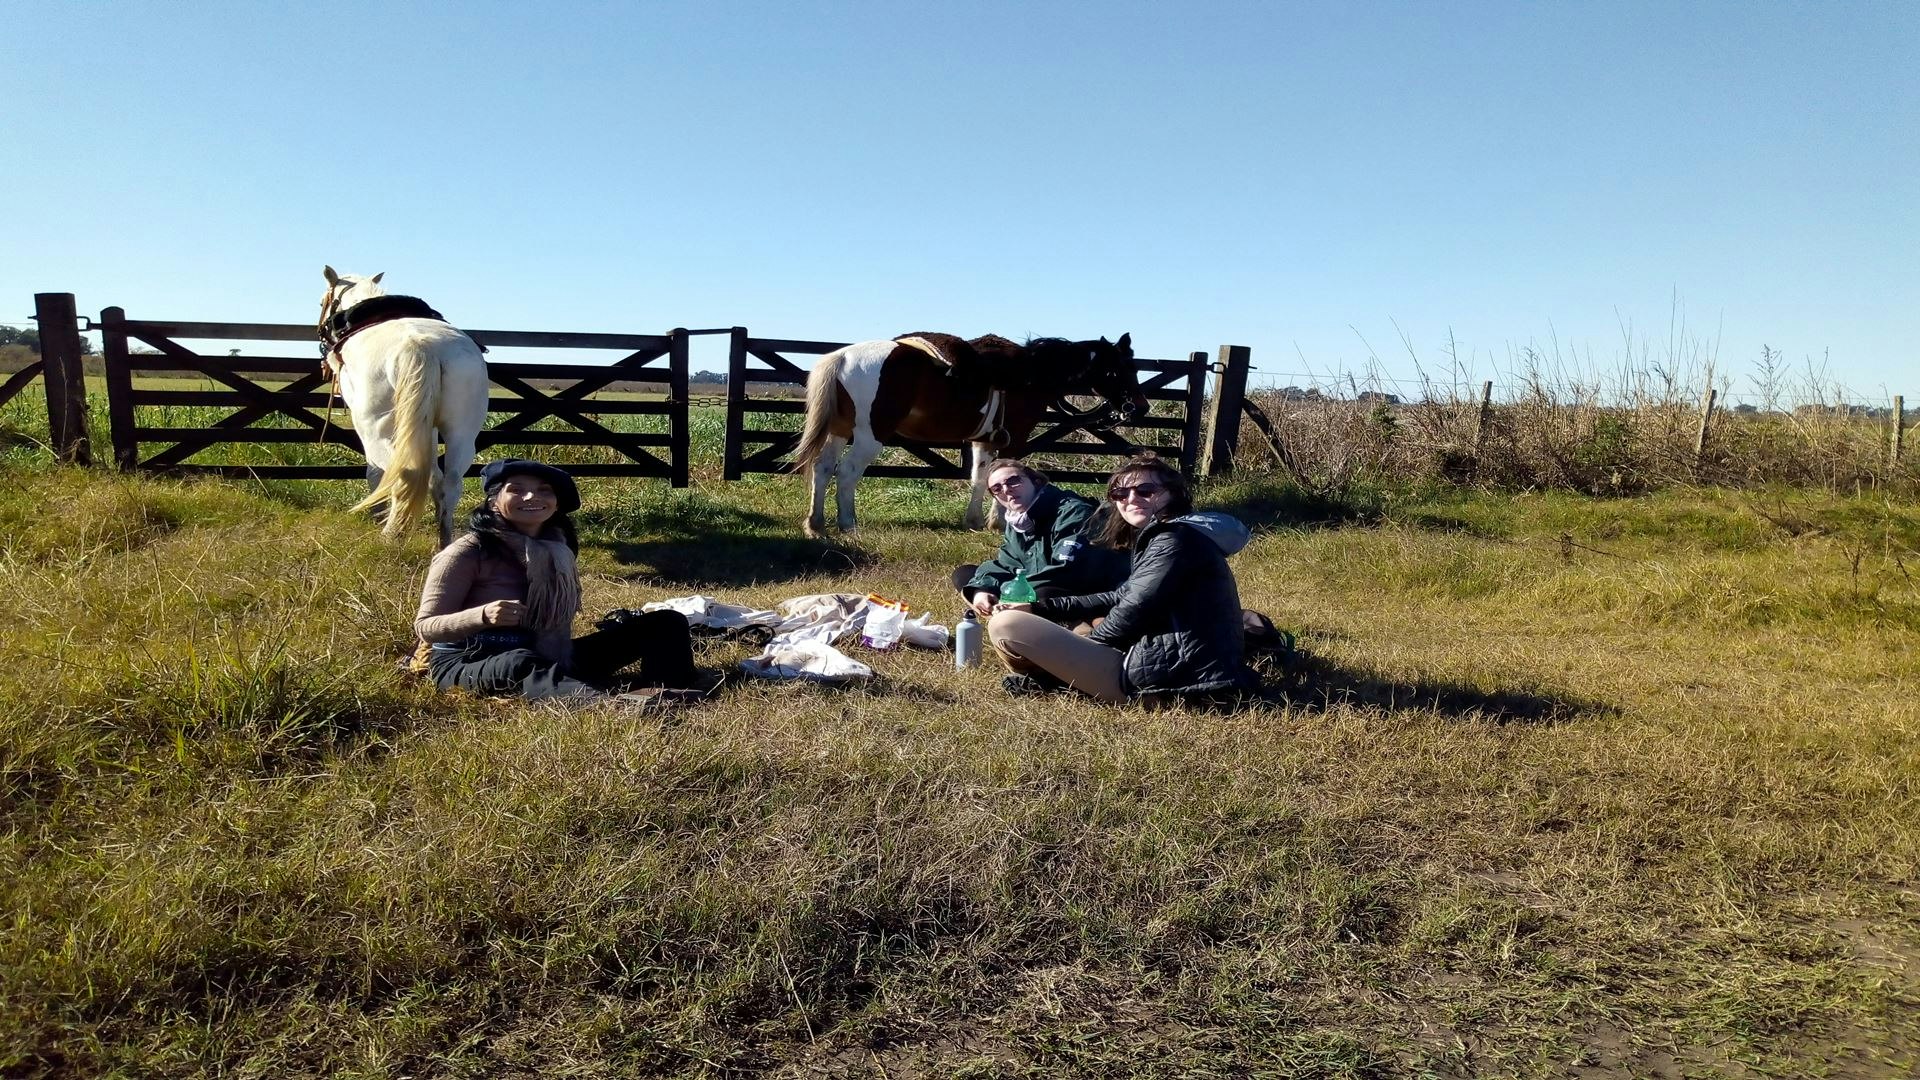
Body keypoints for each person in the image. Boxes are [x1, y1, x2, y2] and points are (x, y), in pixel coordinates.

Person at [414, 459, 703, 701]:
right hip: (469, 661)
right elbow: (426, 627)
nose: (532, 497)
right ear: (493, 502)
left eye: (544, 490)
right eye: (517, 490)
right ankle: (610, 705)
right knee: (520, 662)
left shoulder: (558, 550)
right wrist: (482, 616)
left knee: (666, 622)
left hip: (548, 652)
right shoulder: (466, 552)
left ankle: (671, 688)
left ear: (556, 504)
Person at [986, 453, 1257, 705]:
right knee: (1062, 622)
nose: (1131, 499)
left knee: (1006, 624)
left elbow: (1134, 608)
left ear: (1172, 494)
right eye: (1120, 492)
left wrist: (1084, 648)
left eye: (1145, 491)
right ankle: (1057, 673)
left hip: (1177, 682)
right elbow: (1118, 596)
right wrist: (1037, 608)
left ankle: (1051, 678)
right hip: (1179, 666)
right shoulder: (1170, 535)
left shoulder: (1174, 541)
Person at [953, 458, 1130, 620]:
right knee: (966, 576)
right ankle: (1005, 612)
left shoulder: (1073, 511)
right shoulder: (1017, 520)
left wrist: (1010, 591)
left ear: (1036, 481)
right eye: (997, 489)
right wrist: (981, 590)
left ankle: (1076, 627)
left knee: (1043, 592)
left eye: (1013, 480)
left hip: (1085, 588)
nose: (1006, 490)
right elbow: (1008, 564)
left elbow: (1066, 570)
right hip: (1039, 581)